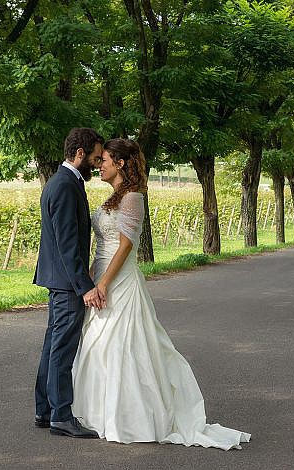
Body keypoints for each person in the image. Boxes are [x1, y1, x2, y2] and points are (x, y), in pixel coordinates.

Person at [72, 138, 251, 449]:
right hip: (100, 274)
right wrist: (90, 280)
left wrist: (103, 285)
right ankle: (97, 413)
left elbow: (125, 246)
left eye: (105, 160)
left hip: (120, 282)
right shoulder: (113, 198)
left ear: (121, 164)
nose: (99, 164)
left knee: (123, 346)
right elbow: (102, 247)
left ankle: (130, 417)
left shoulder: (133, 198)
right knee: (97, 346)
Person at [33, 128, 105, 439]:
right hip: (66, 283)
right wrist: (85, 285)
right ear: (79, 154)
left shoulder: (65, 181)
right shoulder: (64, 186)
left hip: (61, 282)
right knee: (62, 348)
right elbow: (67, 245)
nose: (97, 162)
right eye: (94, 157)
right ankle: (61, 414)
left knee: (53, 345)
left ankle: (44, 409)